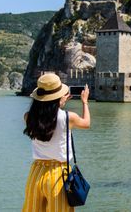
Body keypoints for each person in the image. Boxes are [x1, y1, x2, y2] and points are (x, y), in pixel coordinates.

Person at [22, 73, 90, 212]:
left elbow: (47, 115)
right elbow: (86, 123)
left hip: (36, 172)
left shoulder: (28, 117)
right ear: (59, 97)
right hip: (58, 174)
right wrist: (84, 101)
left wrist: (58, 101)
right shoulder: (67, 117)